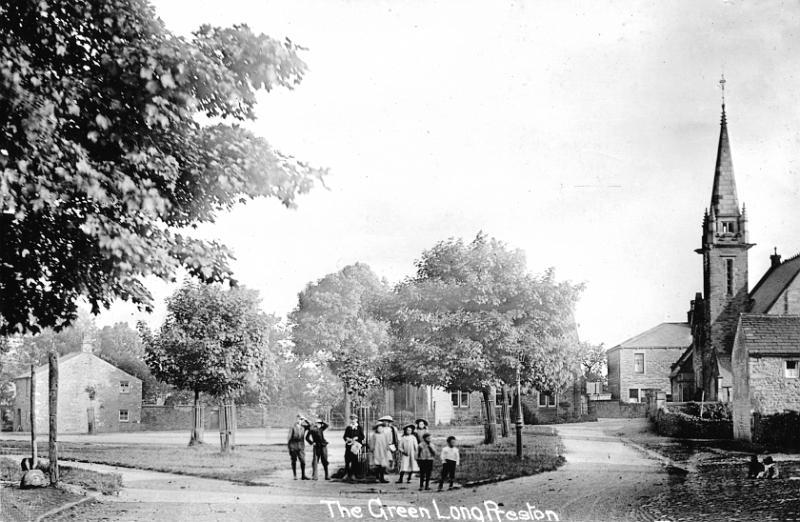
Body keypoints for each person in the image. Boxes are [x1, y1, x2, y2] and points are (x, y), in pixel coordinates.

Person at [287, 415, 310, 480]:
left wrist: (306, 419)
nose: (300, 421)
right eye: (299, 419)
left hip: (301, 447)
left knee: (303, 461)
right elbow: (289, 438)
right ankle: (295, 475)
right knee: (294, 461)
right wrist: (290, 448)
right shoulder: (292, 427)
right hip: (293, 446)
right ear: (296, 420)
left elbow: (310, 426)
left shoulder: (303, 427)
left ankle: (303, 475)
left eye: (301, 419)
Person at [343, 414, 365, 481]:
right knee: (347, 459)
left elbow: (362, 437)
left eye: (354, 419)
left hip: (355, 446)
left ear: (356, 420)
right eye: (351, 419)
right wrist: (348, 439)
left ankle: (353, 474)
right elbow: (344, 436)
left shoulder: (359, 428)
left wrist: (357, 438)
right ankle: (346, 474)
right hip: (349, 446)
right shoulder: (348, 428)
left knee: (354, 460)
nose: (353, 420)